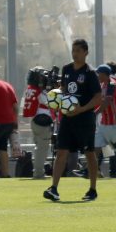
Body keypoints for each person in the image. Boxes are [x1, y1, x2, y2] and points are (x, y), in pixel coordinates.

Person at [44, 39, 103, 202]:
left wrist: (81, 109)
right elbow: (64, 90)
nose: (74, 53)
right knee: (61, 151)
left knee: (89, 153)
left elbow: (98, 97)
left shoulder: (90, 73)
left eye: (78, 50)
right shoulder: (67, 69)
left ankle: (92, 189)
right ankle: (54, 188)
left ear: (86, 52)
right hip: (67, 119)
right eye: (73, 50)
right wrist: (56, 98)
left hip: (85, 119)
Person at [21, 67, 54, 180]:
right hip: (42, 122)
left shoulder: (31, 89)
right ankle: (39, 173)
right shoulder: (40, 92)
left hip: (35, 121)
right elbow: (51, 103)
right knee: (42, 149)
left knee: (39, 148)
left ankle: (38, 171)